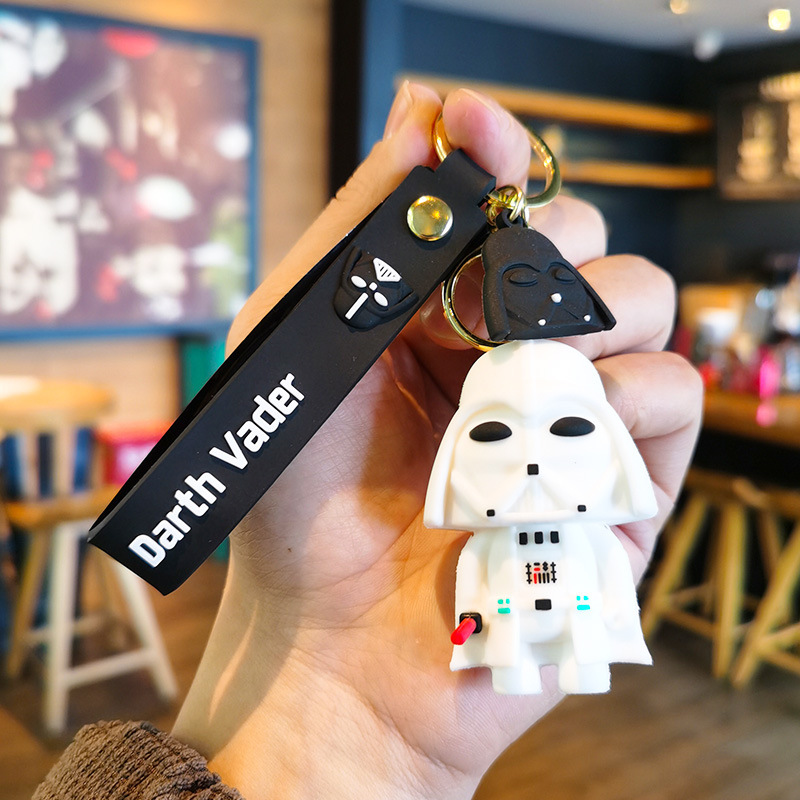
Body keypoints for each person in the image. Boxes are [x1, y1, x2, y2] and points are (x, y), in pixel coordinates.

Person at [34, 82, 703, 800]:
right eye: (497, 433)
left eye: (570, 429)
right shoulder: (468, 520)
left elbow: (596, 586)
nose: (534, 456)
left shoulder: (580, 526)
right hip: (497, 622)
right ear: (461, 452)